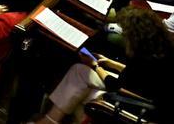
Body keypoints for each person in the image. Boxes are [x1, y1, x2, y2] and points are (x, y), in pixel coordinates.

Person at [29, 7, 170, 123]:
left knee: (80, 80)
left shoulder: (142, 58)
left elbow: (115, 85)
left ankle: (51, 120)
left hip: (135, 106)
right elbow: (137, 75)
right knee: (79, 75)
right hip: (144, 98)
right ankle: (56, 119)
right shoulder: (161, 48)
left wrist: (95, 65)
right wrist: (111, 63)